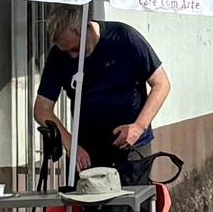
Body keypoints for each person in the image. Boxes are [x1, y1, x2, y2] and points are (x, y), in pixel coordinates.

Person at [36, 10, 170, 178]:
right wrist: (70, 143)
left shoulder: (124, 37)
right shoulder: (58, 56)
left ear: (85, 29)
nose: (72, 55)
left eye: (75, 48)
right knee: (88, 201)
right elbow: (41, 109)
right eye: (66, 52)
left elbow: (161, 83)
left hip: (131, 147)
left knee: (129, 202)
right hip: (88, 152)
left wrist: (138, 127)